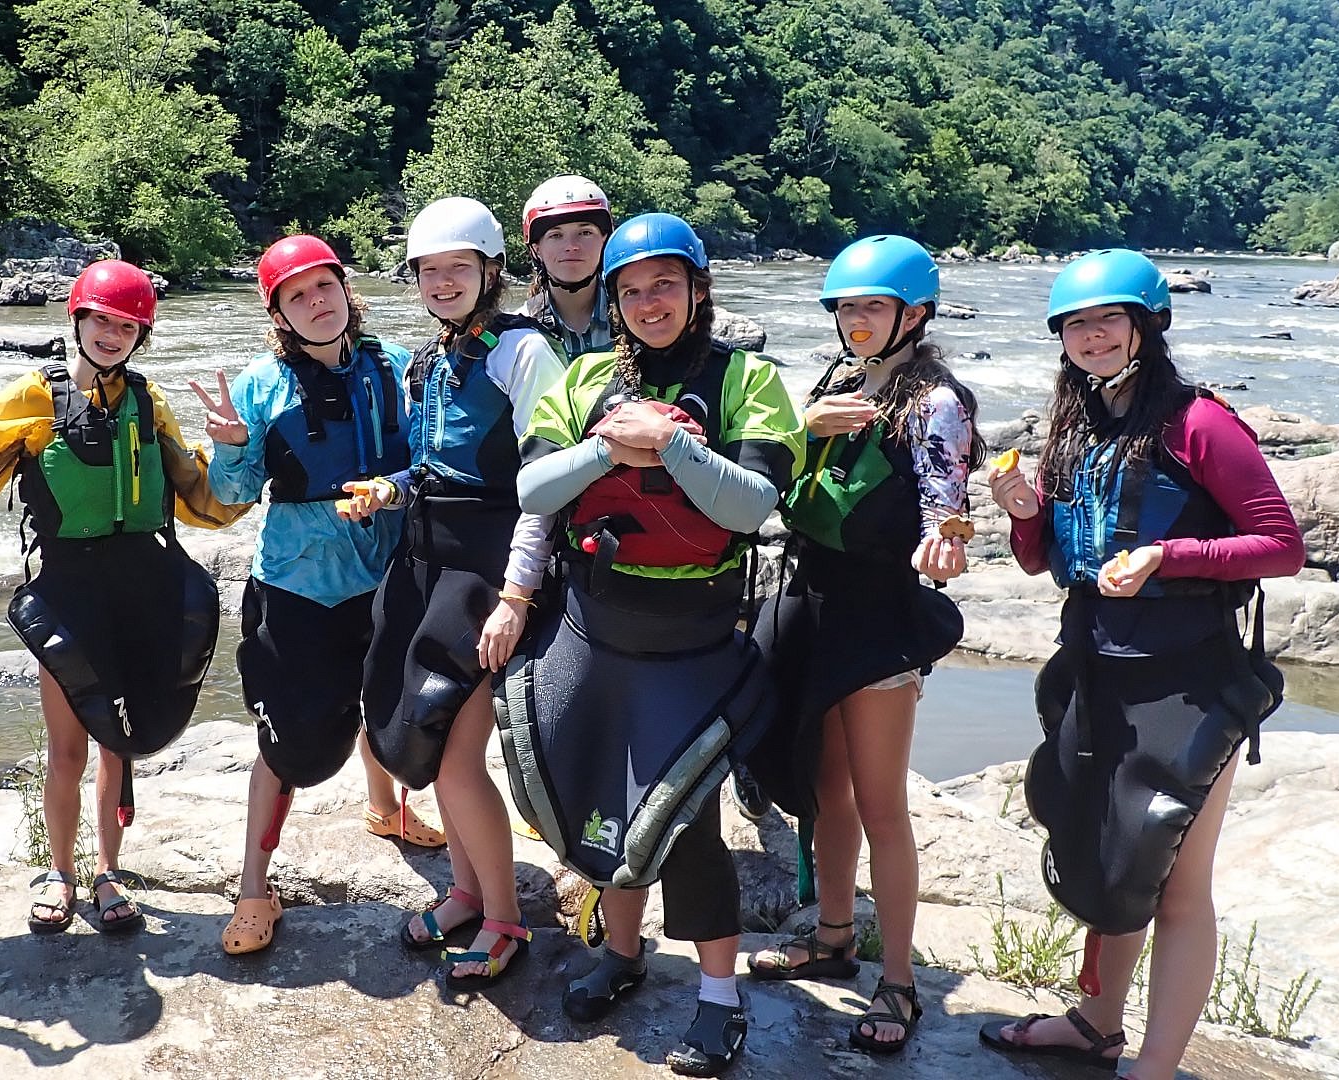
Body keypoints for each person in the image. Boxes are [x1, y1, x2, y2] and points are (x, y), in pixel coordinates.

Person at [977, 249, 1302, 1080]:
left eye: (1107, 321)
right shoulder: (1077, 424)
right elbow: (1043, 556)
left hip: (1189, 678)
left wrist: (1171, 556)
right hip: (1097, 667)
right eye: (1076, 325)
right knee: (1105, 858)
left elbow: (1281, 545)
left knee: (1174, 878)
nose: (1091, 337)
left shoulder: (1198, 423)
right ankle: (1095, 1024)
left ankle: (1154, 1067)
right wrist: (1022, 514)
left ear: (1146, 327)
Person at [506, 213, 803, 1075]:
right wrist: (609, 446)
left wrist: (668, 442)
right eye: (630, 290)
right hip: (595, 629)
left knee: (690, 819)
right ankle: (623, 954)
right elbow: (533, 487)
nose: (647, 303)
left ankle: (718, 997)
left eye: (664, 286)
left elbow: (751, 508)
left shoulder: (748, 380)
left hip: (695, 637)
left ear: (699, 291)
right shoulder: (585, 377)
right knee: (600, 794)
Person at [0, 261, 247, 937]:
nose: (112, 335)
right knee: (67, 748)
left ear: (140, 335)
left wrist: (232, 452)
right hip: (69, 587)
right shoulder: (30, 397)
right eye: (102, 321)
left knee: (122, 743)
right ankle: (60, 872)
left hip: (144, 584)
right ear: (75, 320)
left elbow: (202, 501)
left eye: (127, 325)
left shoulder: (148, 401)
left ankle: (109, 874)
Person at [743, 235, 980, 1053]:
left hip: (879, 613)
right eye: (847, 308)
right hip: (813, 597)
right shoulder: (837, 382)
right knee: (826, 789)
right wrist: (803, 428)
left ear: (914, 314)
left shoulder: (935, 403)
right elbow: (779, 470)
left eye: (873, 308)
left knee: (881, 804)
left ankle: (902, 983)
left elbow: (942, 507)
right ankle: (834, 935)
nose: (857, 322)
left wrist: (944, 542)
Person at [358, 197, 566, 983]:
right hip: (421, 564)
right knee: (429, 741)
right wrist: (389, 487)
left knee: (456, 756)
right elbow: (433, 465)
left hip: (483, 572)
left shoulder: (520, 352)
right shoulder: (430, 359)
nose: (442, 283)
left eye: (457, 269)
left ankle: (506, 920)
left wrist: (516, 594)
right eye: (429, 272)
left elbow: (541, 484)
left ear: (490, 271)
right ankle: (468, 892)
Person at [191, 234, 417, 955]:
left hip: (385, 574)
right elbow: (229, 495)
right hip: (296, 586)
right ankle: (254, 888)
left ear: (347, 291)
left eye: (325, 287)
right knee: (290, 743)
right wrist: (229, 443)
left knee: (384, 706)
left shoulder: (400, 368)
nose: (317, 302)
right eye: (298, 295)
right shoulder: (260, 386)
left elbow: (429, 465)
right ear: (280, 314)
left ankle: (387, 811)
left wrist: (395, 494)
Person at [518, 174, 615, 359]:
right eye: (556, 236)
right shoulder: (517, 331)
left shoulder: (635, 318)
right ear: (536, 249)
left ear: (604, 240)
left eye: (585, 232)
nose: (571, 245)